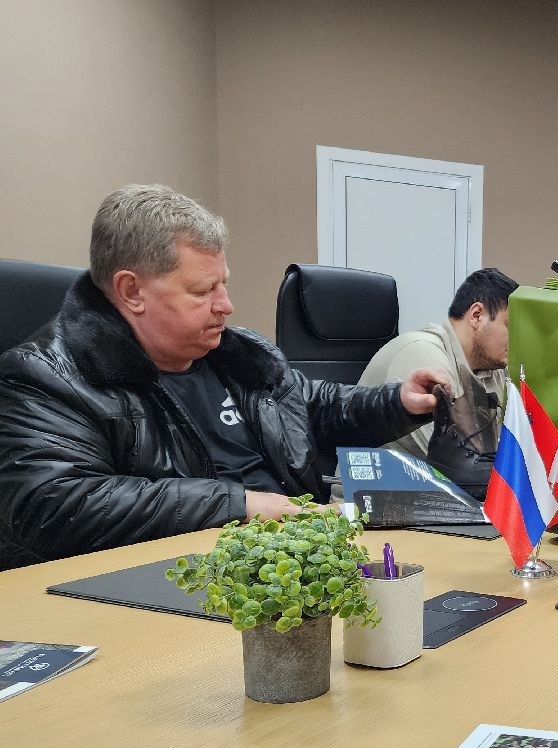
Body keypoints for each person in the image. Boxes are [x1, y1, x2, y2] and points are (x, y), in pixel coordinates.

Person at [0, 184, 449, 571]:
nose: (226, 305)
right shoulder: (45, 377)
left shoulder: (239, 356)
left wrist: (398, 402)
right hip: (183, 585)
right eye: (202, 291)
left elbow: (317, 407)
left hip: (296, 559)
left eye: (223, 284)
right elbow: (56, 505)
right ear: (131, 291)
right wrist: (239, 505)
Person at [357, 267, 518, 459]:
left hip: (435, 486)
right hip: (373, 486)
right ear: (477, 316)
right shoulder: (421, 353)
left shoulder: (492, 368)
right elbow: (453, 463)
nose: (518, 339)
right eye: (511, 326)